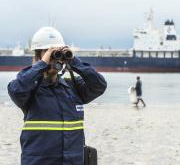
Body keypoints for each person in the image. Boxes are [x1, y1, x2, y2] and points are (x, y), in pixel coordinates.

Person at [7, 27, 107, 165]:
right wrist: (42, 64)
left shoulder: (73, 87)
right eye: (50, 54)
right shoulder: (30, 89)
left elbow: (99, 85)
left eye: (57, 53)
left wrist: (74, 62)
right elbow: (16, 90)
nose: (54, 59)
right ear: (37, 56)